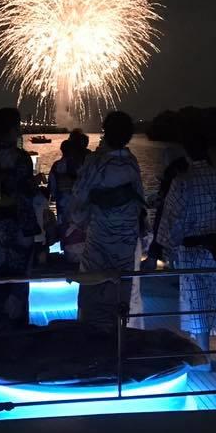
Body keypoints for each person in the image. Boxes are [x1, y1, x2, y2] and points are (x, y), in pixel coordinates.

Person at [157, 130, 216, 370]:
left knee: (198, 300)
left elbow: (170, 218)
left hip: (191, 249)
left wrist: (166, 246)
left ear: (187, 152)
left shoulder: (182, 180)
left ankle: (204, 357)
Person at [73, 111, 146, 331]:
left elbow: (78, 201)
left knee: (93, 294)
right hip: (125, 242)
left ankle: (92, 342)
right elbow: (140, 201)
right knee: (119, 294)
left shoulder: (96, 163)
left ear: (105, 132)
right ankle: (118, 341)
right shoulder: (132, 163)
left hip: (99, 240)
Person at [0, 107, 37, 331]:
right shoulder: (20, 158)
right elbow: (22, 191)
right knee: (18, 282)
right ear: (14, 128)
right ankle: (16, 329)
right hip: (18, 227)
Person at [48, 140, 80, 258]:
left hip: (62, 203)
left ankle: (67, 253)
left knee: (64, 228)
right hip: (77, 204)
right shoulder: (79, 165)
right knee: (77, 228)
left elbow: (52, 188)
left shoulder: (56, 166)